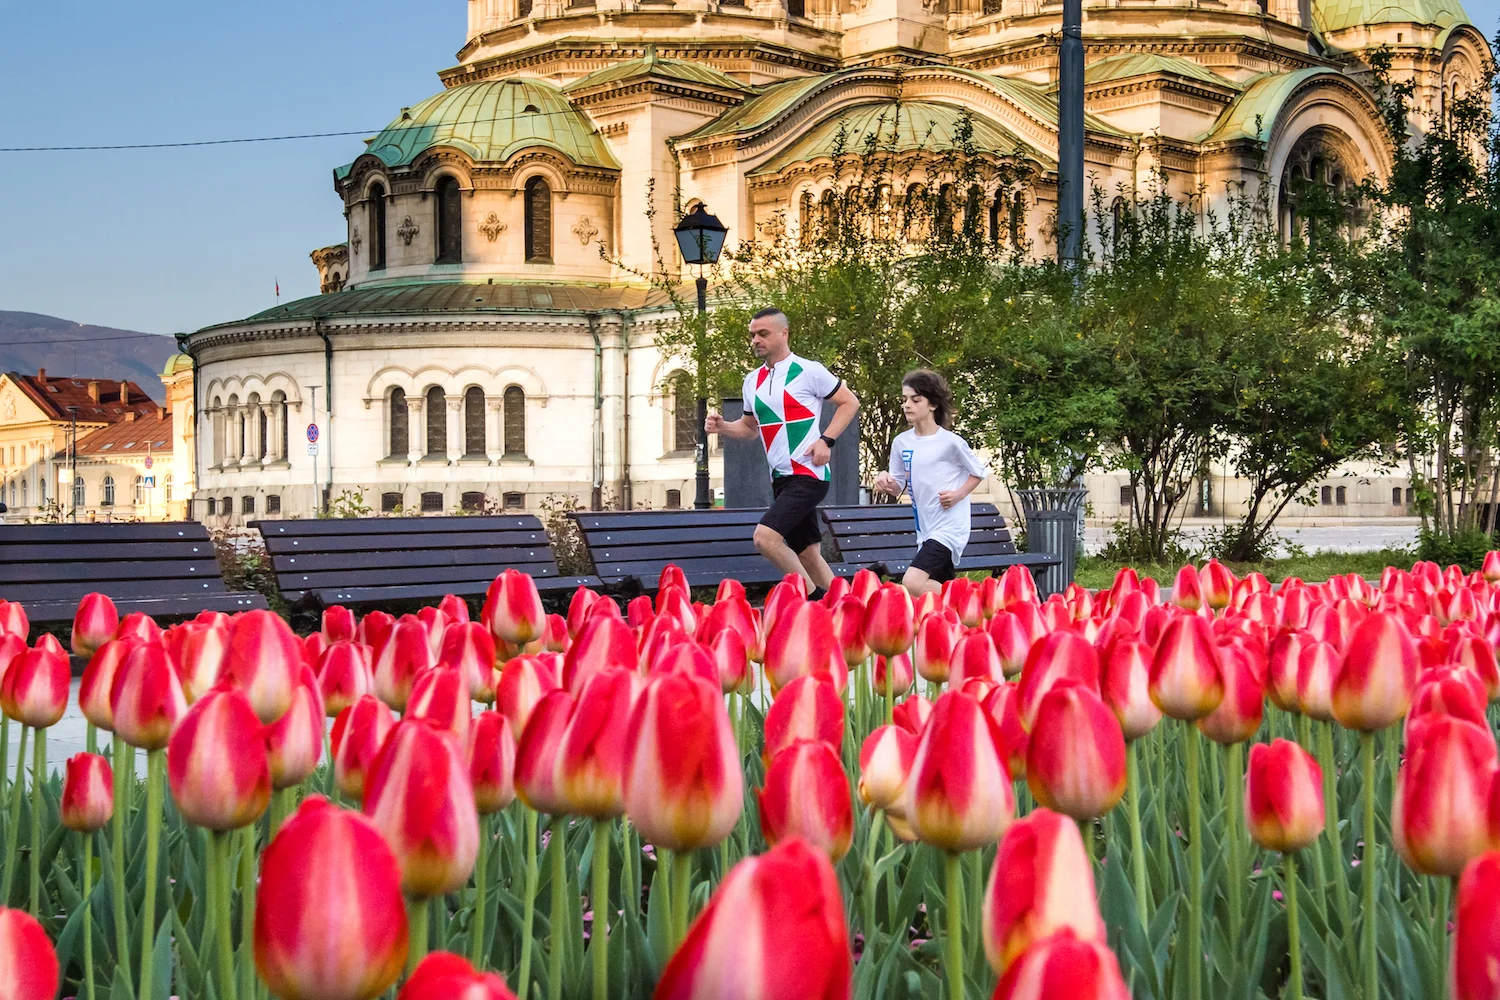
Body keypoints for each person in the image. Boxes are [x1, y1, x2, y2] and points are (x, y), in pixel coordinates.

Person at [706, 308, 860, 600]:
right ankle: (849, 609)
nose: (755, 340)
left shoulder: (808, 370)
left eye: (763, 333)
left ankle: (811, 600)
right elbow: (750, 429)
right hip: (781, 479)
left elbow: (849, 402)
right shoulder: (752, 381)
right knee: (809, 554)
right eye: (752, 334)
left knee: (765, 538)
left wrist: (826, 440)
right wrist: (723, 427)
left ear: (784, 333)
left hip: (809, 474)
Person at [873, 369, 987, 596]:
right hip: (924, 530)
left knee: (913, 581)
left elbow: (979, 472)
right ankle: (964, 614)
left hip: (950, 528)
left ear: (932, 404)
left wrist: (958, 495)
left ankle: (977, 600)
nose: (907, 405)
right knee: (931, 597)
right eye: (904, 399)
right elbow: (897, 487)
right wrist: (884, 479)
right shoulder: (901, 443)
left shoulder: (950, 443)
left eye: (916, 400)